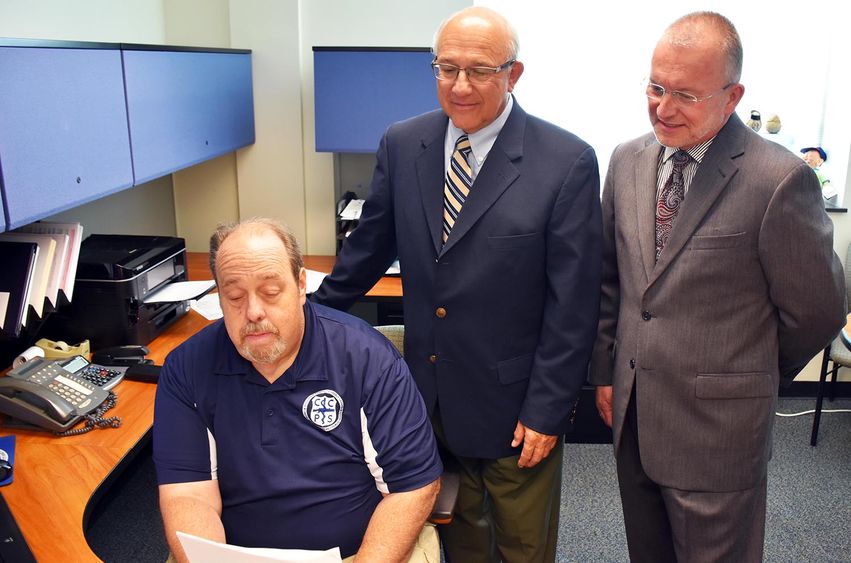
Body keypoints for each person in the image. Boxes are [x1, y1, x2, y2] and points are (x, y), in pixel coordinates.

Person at [312, 6, 601, 562]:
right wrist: (307, 315)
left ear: (513, 74)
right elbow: (368, 249)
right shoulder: (404, 143)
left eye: (479, 71)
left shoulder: (565, 161)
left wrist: (548, 408)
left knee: (520, 545)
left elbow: (574, 305)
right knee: (458, 535)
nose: (459, 85)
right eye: (446, 68)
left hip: (515, 405)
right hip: (427, 395)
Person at [590, 12, 845, 563]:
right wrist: (606, 370)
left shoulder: (778, 180)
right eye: (655, 87)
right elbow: (612, 280)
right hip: (633, 415)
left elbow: (818, 311)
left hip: (719, 432)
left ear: (732, 97)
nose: (662, 106)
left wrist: (745, 373)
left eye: (685, 93)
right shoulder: (627, 160)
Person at [153, 218, 442, 562]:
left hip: (361, 554)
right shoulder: (186, 369)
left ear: (301, 285)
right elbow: (188, 497)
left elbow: (412, 488)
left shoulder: (366, 357)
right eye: (234, 296)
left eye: (271, 292)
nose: (253, 312)